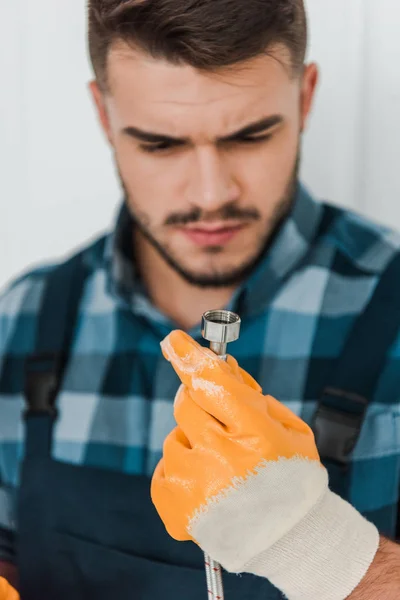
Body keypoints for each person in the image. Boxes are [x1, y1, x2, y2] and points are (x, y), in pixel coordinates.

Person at [0, 0, 399, 598]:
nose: (211, 193)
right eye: (161, 144)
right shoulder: (24, 320)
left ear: (306, 97)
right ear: (104, 117)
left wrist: (318, 546)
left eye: (251, 135)